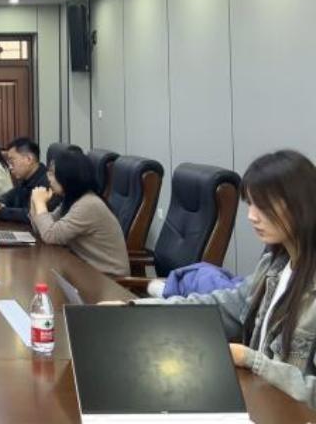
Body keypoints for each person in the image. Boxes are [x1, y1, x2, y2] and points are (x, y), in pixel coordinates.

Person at [111, 150, 316, 408]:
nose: (252, 216)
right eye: (250, 204)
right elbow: (217, 308)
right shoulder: (273, 265)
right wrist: (133, 310)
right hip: (260, 403)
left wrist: (250, 360)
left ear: (300, 205)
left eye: (263, 206)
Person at [30, 149, 129, 277]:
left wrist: (40, 203)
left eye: (53, 174)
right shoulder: (72, 199)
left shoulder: (88, 204)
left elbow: (50, 235)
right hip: (84, 270)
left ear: (68, 176)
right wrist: (35, 201)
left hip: (107, 279)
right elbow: (41, 229)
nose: (49, 178)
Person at [0, 137, 55, 221]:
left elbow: (31, 215)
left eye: (12, 161)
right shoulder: (26, 180)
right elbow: (9, 197)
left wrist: (0, 211)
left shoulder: (48, 182)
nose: (10, 167)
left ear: (28, 159)